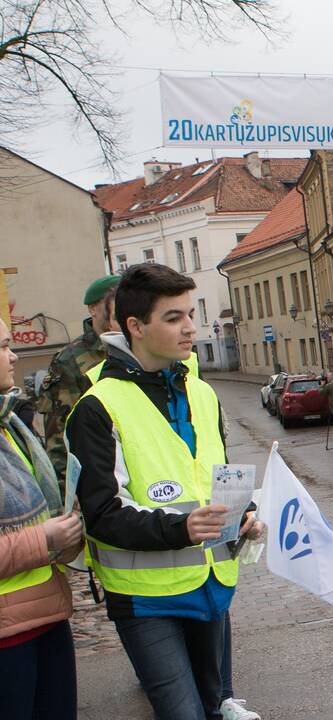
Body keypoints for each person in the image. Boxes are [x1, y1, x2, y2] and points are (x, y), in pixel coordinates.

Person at [65, 264, 265, 720]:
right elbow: (101, 514)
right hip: (145, 599)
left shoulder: (202, 393)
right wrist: (182, 527)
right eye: (174, 317)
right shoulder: (96, 408)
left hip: (213, 586)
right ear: (135, 327)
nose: (191, 328)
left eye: (190, 314)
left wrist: (243, 514)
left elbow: (210, 478)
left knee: (216, 711)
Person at [1, 318, 84, 720]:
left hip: (45, 617)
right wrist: (45, 538)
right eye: (2, 346)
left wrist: (66, 534)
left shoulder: (10, 423)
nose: (13, 355)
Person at [36, 274, 121, 481]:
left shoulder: (138, 349)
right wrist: (70, 488)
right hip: (97, 476)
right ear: (93, 309)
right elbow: (59, 432)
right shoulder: (70, 359)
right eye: (110, 303)